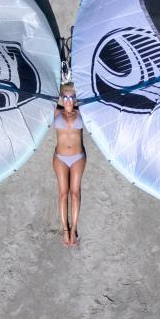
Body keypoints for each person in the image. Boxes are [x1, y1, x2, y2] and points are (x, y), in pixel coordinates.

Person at [53, 83, 85, 246]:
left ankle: (74, 230)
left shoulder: (82, 112)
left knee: (75, 193)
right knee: (63, 193)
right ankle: (65, 230)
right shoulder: (56, 111)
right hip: (60, 158)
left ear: (75, 99)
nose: (68, 101)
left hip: (78, 157)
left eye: (71, 97)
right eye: (65, 97)